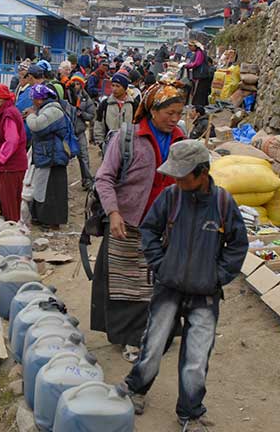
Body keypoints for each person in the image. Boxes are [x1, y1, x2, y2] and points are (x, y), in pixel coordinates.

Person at [120, 140, 247, 429]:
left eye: (183, 174)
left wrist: (218, 276)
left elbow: (238, 245)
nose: (176, 179)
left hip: (206, 294)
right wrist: (160, 263)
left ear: (202, 172)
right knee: (152, 344)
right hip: (168, 287)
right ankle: (136, 389)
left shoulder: (224, 203)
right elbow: (149, 230)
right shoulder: (170, 197)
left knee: (197, 356)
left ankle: (190, 411)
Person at [93, 82, 186, 364]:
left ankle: (159, 334)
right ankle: (131, 339)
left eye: (179, 113)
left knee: (161, 283)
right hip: (128, 224)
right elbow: (104, 178)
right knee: (128, 285)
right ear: (152, 110)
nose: (174, 119)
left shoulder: (182, 139)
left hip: (167, 227)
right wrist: (113, 212)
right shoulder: (128, 137)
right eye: (169, 112)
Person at [26, 84, 71, 229]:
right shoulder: (47, 109)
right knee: (43, 187)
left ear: (40, 99)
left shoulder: (52, 111)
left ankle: (50, 220)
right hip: (48, 154)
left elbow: (37, 126)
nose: (33, 102)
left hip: (53, 156)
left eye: (34, 99)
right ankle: (41, 217)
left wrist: (31, 115)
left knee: (50, 189)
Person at [0, 84, 28, 222]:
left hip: (10, 167)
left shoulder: (9, 114)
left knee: (9, 202)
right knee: (9, 200)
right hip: (10, 166)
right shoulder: (7, 112)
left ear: (1, 100)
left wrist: (0, 157)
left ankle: (12, 231)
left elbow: (12, 140)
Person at [66, 73, 96, 190]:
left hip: (80, 131)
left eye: (79, 84)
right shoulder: (67, 95)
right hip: (67, 132)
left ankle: (87, 180)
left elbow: (91, 115)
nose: (76, 86)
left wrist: (82, 114)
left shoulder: (86, 98)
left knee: (83, 156)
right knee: (64, 157)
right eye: (74, 83)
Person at [94, 73, 136, 151]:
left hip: (128, 147)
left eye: (118, 86)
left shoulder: (134, 104)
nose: (114, 89)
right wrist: (101, 144)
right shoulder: (105, 104)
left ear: (124, 88)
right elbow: (99, 124)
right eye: (113, 85)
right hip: (109, 146)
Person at [184, 41, 211, 107]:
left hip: (201, 75)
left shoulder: (199, 52)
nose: (189, 48)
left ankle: (198, 107)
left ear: (195, 46)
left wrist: (188, 66)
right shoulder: (199, 52)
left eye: (190, 46)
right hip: (202, 75)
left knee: (199, 92)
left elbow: (197, 63)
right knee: (200, 92)